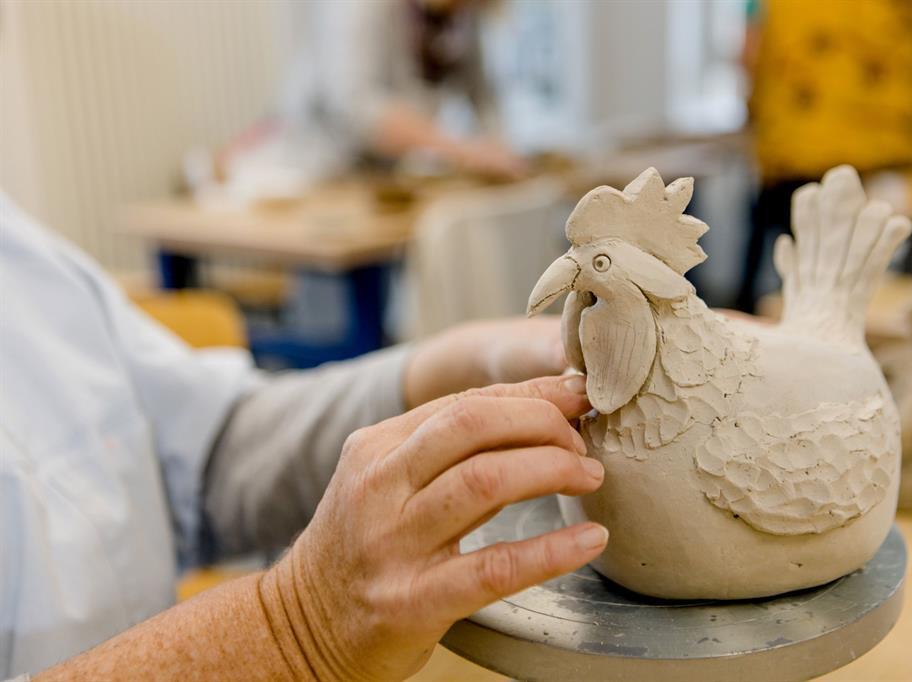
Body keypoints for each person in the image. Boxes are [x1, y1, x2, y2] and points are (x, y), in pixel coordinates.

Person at [0, 190, 608, 680]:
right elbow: (292, 626)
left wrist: (453, 365)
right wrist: (291, 631)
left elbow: (208, 454)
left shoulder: (22, 253)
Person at [735, 0, 912, 311]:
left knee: (797, 277)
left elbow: (749, 55)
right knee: (882, 278)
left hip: (799, 150)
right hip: (884, 149)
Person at [223, 0, 527, 194]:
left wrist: (501, 149)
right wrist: (461, 150)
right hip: (316, 165)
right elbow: (358, 109)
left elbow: (483, 94)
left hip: (382, 175)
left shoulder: (461, 15)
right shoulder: (360, 8)